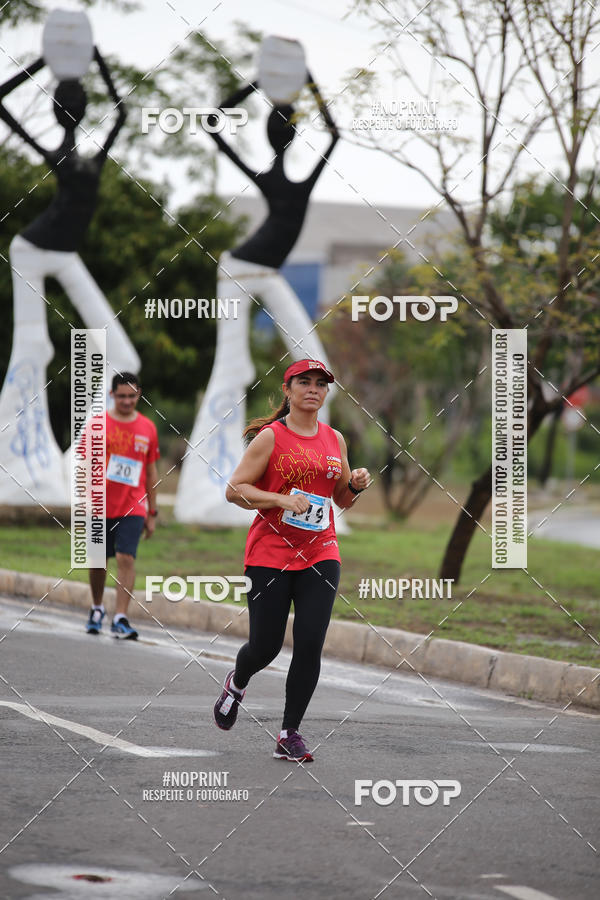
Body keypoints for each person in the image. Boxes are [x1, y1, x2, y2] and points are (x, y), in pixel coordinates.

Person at [174, 68, 339, 525]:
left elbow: (335, 134)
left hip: (268, 272)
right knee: (232, 370)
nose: (286, 135)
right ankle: (209, 483)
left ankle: (310, 477)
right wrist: (262, 82)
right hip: (238, 270)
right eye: (282, 128)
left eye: (288, 128)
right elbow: (213, 123)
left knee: (317, 363)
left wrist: (306, 80)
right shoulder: (270, 177)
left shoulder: (298, 179)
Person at [0, 48, 139, 505]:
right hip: (33, 249)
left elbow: (120, 112)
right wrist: (47, 61)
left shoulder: (91, 157)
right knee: (33, 347)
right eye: (69, 101)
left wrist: (92, 58)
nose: (76, 107)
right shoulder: (57, 153)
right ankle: (20, 462)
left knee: (123, 358)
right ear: (59, 109)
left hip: (65, 253)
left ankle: (73, 464)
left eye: (79, 101)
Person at [213, 358, 370, 761]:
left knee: (309, 644)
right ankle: (238, 680)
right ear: (288, 389)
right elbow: (235, 491)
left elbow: (340, 500)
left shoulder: (335, 439)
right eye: (304, 382)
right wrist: (282, 499)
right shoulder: (271, 437)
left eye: (320, 383)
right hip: (270, 554)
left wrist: (354, 486)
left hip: (321, 552)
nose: (313, 389)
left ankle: (289, 733)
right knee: (265, 646)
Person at [85, 373, 159, 639]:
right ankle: (96, 609)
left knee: (126, 557)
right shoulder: (97, 425)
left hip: (133, 505)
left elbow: (151, 472)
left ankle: (120, 617)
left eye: (132, 396)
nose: (127, 401)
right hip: (99, 505)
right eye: (122, 396)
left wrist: (152, 511)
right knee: (97, 561)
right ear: (112, 395)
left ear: (139, 395)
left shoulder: (148, 428)